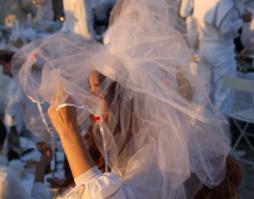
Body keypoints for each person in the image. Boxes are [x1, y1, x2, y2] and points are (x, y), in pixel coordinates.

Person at [13, 0, 231, 198]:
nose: (90, 99)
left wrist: (69, 133)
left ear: (125, 98)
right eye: (90, 88)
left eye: (98, 89)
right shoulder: (111, 141)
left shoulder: (153, 158)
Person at [197, 0, 252, 114]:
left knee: (203, 92)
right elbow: (225, 29)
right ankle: (219, 129)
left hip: (204, 46)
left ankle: (201, 126)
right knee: (223, 96)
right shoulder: (225, 2)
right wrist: (242, 20)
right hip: (221, 49)